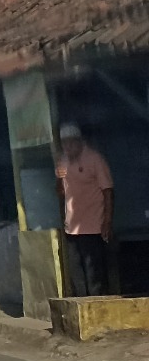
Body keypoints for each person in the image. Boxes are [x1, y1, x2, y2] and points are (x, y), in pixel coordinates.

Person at [56, 123, 114, 296]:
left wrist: (107, 221)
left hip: (94, 224)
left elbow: (108, 190)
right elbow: (60, 192)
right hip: (72, 225)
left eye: (71, 143)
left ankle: (98, 306)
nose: (68, 147)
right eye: (64, 143)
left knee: (94, 270)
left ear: (80, 141)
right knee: (76, 269)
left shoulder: (95, 159)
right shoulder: (63, 161)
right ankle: (81, 306)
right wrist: (59, 178)